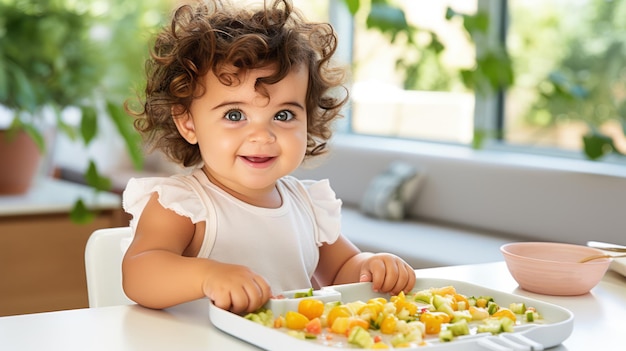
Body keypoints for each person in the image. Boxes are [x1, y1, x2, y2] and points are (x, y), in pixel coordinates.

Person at [121, 0, 416, 315]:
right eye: (235, 114)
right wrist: (207, 275)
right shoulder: (183, 205)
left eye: (284, 114)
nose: (262, 135)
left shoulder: (308, 205)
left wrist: (372, 265)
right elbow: (139, 274)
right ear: (188, 123)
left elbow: (342, 271)